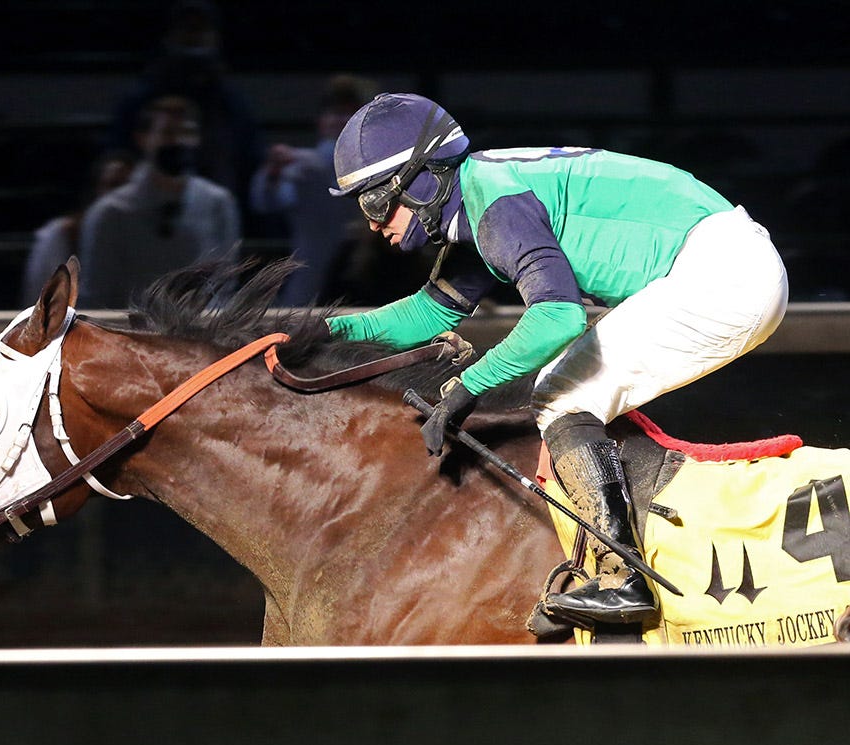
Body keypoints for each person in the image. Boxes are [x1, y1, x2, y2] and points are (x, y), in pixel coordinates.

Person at [324, 93, 788, 628]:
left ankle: (623, 579)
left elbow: (558, 317)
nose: (372, 223)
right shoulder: (478, 197)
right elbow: (428, 314)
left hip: (725, 273)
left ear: (423, 180)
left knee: (561, 394)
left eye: (374, 202)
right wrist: (323, 331)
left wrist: (469, 385)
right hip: (727, 261)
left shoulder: (496, 205)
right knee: (573, 391)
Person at [106, 0, 264, 224]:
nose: (194, 37)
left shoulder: (231, 102)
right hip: (148, 212)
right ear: (170, 36)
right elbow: (120, 155)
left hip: (216, 211)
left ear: (215, 37)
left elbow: (250, 161)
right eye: (187, 29)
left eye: (201, 29)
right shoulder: (141, 99)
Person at [79, 94, 240, 308]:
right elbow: (95, 294)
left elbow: (225, 285)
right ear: (143, 138)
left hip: (197, 326)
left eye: (187, 133)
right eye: (168, 132)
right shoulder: (110, 212)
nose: (178, 141)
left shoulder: (218, 203)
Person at [249, 74, 373, 306]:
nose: (342, 120)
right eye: (336, 112)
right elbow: (267, 201)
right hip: (310, 288)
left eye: (352, 113)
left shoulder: (389, 169)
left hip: (368, 288)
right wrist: (274, 173)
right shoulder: (299, 165)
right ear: (321, 120)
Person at [21, 150, 134, 303]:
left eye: (127, 186)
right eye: (113, 185)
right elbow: (39, 300)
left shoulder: (150, 234)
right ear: (95, 189)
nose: (120, 194)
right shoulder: (63, 234)